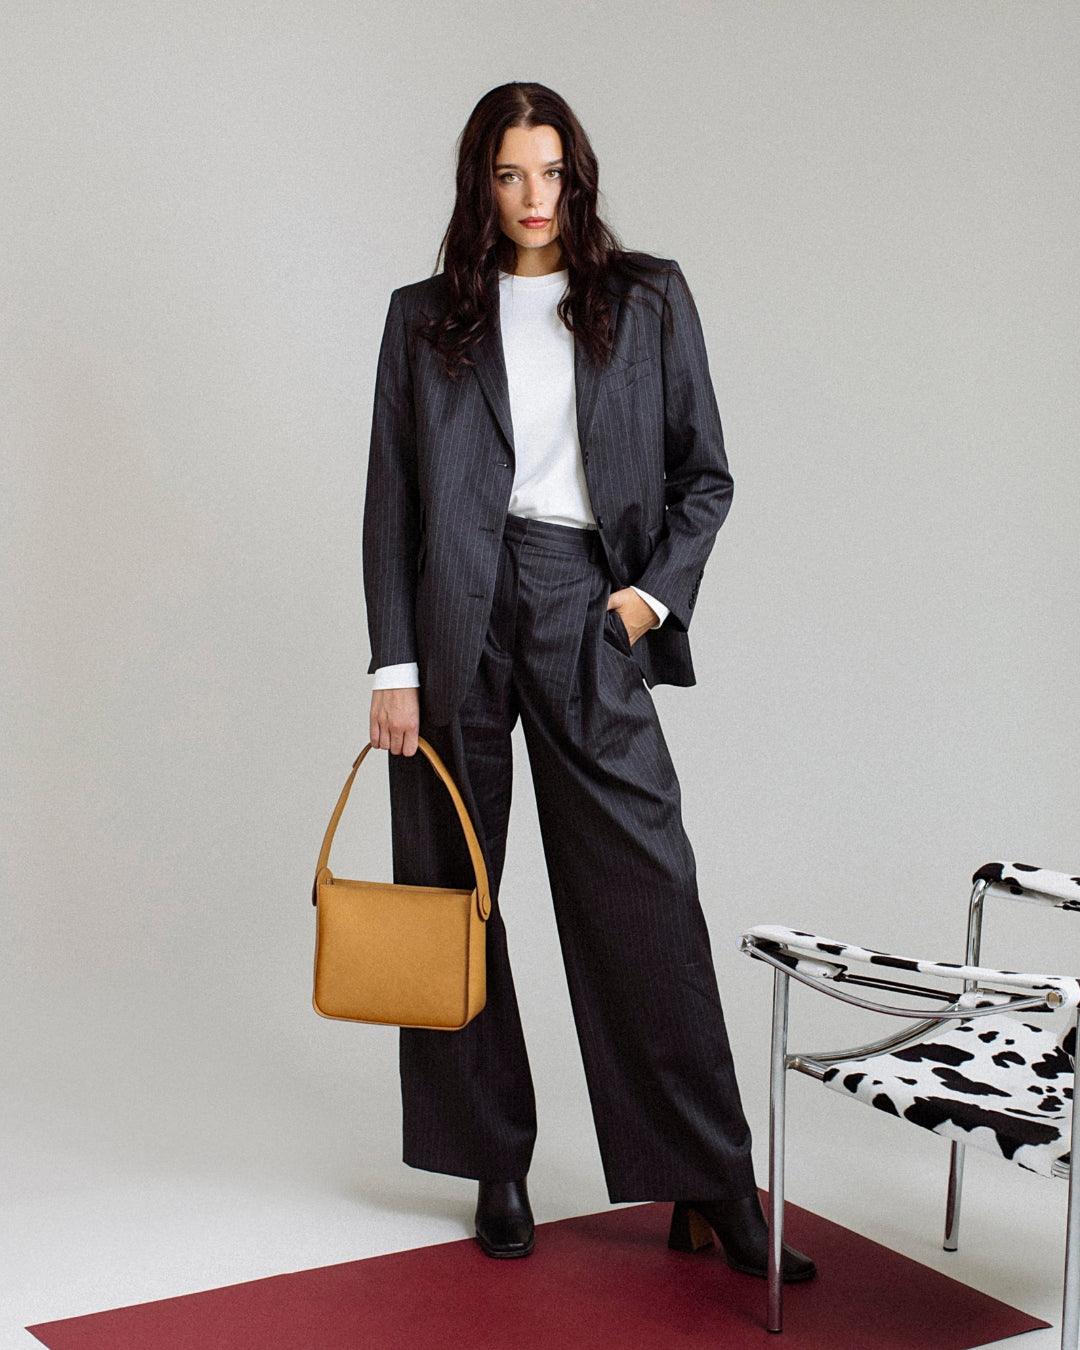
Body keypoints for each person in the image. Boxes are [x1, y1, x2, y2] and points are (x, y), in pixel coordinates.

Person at [363, 80, 816, 1284]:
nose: (534, 197)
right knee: (452, 890)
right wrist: (394, 663)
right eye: (511, 173)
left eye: (551, 172)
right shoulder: (424, 319)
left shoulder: (645, 298)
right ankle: (493, 1162)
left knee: (645, 892)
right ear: (481, 181)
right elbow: (391, 500)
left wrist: (646, 599)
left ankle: (710, 1179)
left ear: (578, 176)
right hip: (454, 616)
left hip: (584, 603)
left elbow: (704, 476)